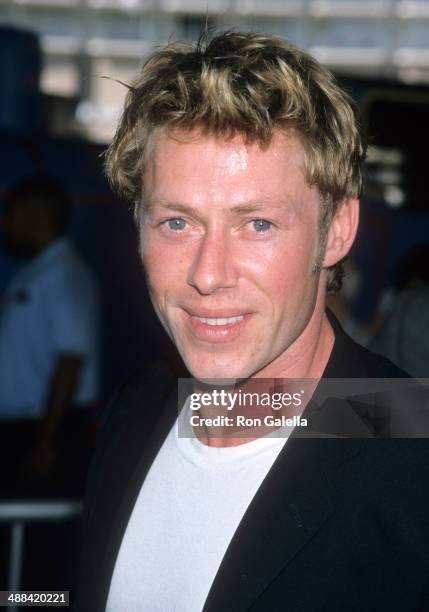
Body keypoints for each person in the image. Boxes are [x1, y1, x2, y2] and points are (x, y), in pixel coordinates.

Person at [75, 31, 429, 611]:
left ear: (337, 229)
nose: (208, 275)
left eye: (257, 224)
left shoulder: (412, 461)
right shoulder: (138, 407)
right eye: (177, 223)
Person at [0, 177, 99, 496]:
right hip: (23, 428)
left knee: (36, 534)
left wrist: (46, 441)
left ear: (36, 216)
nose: (5, 224)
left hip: (44, 429)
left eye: (10, 213)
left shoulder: (66, 275)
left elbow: (70, 360)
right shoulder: (36, 272)